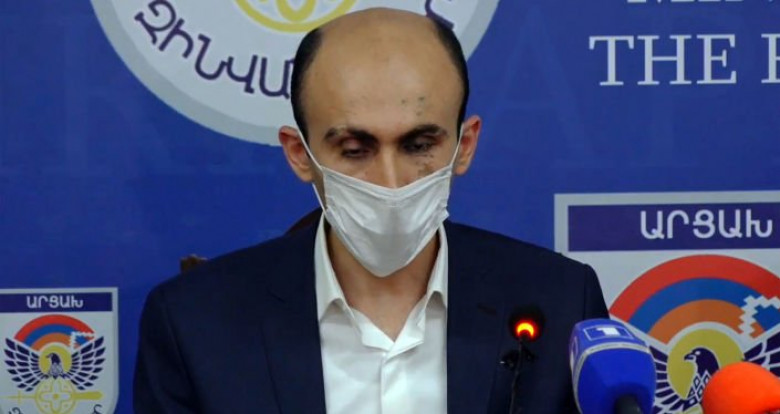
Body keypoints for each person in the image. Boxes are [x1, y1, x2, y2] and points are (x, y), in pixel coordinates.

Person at [134, 7, 609, 414]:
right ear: (299, 154)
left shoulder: (560, 303)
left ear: (465, 146)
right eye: (355, 149)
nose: (390, 181)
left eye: (419, 145)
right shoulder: (194, 324)